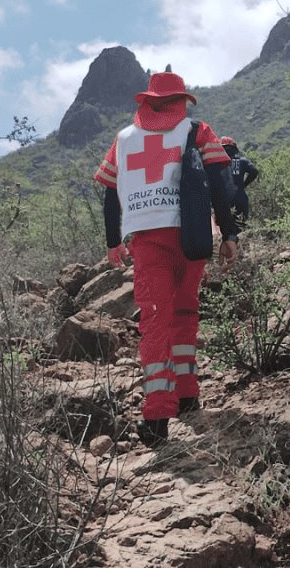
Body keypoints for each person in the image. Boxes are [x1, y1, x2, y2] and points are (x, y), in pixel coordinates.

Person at [93, 71, 241, 448]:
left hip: (147, 239)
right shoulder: (197, 130)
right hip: (191, 236)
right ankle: (188, 395)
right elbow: (220, 187)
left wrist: (114, 241)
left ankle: (158, 415)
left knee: (155, 320)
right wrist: (229, 233)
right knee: (185, 312)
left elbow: (111, 194)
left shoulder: (124, 141)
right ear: (181, 101)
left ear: (146, 102)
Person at [219, 136, 258, 225]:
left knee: (225, 229)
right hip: (240, 197)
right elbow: (254, 171)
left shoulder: (215, 164)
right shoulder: (241, 161)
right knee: (242, 226)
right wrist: (244, 185)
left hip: (223, 200)